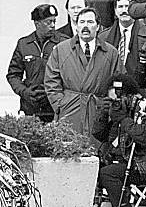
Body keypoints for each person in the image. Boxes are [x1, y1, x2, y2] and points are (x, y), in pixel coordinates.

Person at [92, 74, 146, 207]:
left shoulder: (144, 108)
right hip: (117, 160)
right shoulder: (117, 110)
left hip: (141, 164)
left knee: (108, 173)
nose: (116, 103)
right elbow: (99, 134)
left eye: (119, 99)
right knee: (94, 169)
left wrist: (124, 120)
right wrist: (104, 114)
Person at [45, 7, 124, 139]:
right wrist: (60, 105)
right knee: (70, 153)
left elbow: (119, 81)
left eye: (90, 22)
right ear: (76, 26)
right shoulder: (61, 50)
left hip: (98, 112)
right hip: (70, 111)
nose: (85, 26)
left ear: (98, 26)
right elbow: (51, 81)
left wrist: (109, 105)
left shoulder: (111, 52)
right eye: (81, 22)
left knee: (97, 152)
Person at [6, 4, 67, 123]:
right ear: (37, 23)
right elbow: (13, 75)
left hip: (53, 106)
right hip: (30, 106)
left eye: (54, 21)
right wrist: (24, 92)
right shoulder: (24, 44)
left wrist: (53, 93)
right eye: (48, 22)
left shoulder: (63, 43)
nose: (53, 25)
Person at [99, 0, 146, 89]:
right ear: (115, 11)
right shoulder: (103, 37)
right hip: (111, 90)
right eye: (120, 7)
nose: (124, 10)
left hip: (140, 89)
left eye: (127, 6)